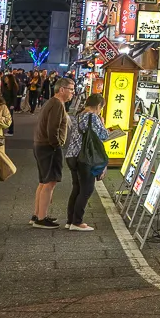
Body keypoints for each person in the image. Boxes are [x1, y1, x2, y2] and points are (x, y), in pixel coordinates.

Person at [62, 92, 124, 231]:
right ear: (98, 106)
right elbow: (103, 136)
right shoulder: (93, 117)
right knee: (87, 189)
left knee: (77, 188)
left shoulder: (78, 115)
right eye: (101, 107)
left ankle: (70, 220)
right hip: (85, 158)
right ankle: (77, 222)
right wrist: (104, 125)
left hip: (72, 155)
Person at [31, 79, 75, 228]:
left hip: (41, 145)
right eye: (70, 89)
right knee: (50, 182)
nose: (72, 92)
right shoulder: (57, 104)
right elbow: (53, 128)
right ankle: (41, 219)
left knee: (44, 181)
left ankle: (37, 214)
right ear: (61, 89)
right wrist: (56, 144)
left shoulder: (53, 102)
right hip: (48, 147)